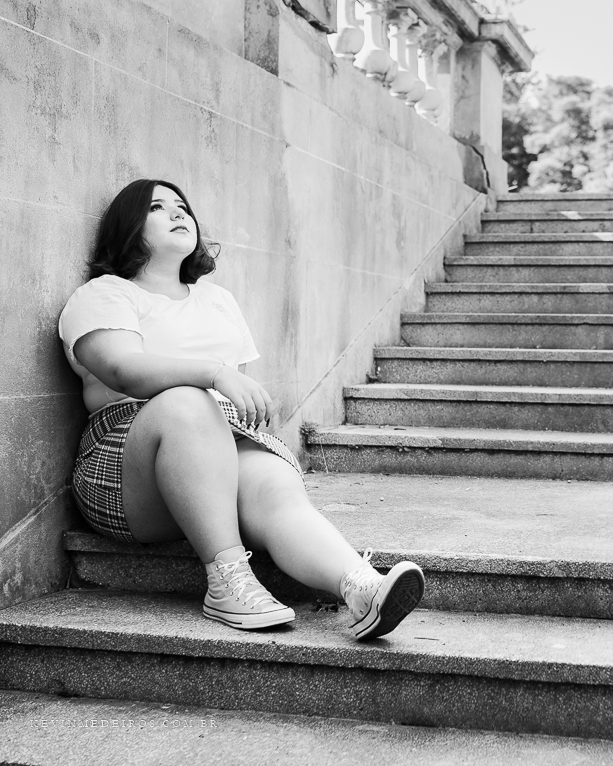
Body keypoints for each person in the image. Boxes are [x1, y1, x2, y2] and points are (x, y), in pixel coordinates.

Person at [58, 178, 424, 640]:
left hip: (218, 447)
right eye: (157, 207)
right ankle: (227, 580)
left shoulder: (218, 300)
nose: (178, 214)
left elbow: (240, 392)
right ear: (128, 227)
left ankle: (361, 588)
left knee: (273, 488)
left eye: (182, 207)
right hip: (127, 466)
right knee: (187, 403)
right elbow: (124, 369)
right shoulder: (105, 294)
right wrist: (213, 373)